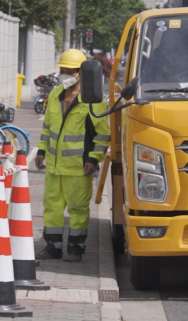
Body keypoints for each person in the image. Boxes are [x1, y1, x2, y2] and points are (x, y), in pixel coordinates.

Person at [35, 49, 111, 262]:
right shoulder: (54, 94)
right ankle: (53, 247)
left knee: (77, 209)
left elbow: (103, 133)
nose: (64, 73)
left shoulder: (92, 99)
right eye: (62, 69)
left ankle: (76, 249)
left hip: (78, 167)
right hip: (54, 167)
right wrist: (41, 150)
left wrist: (94, 158)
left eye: (69, 70)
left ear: (82, 72)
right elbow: (48, 127)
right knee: (52, 207)